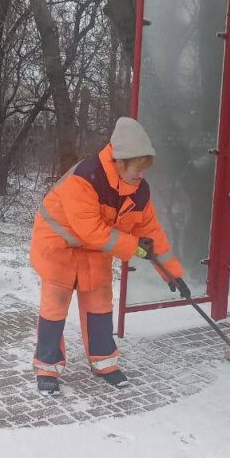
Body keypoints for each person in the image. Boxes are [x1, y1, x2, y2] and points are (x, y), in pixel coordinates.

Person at [30, 117, 190, 394]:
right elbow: (90, 230)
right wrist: (134, 247)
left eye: (143, 171)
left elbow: (152, 232)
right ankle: (47, 368)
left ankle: (104, 362)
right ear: (120, 162)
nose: (140, 177)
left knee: (100, 305)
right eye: (136, 171)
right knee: (54, 308)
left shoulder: (138, 191)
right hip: (58, 246)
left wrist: (172, 274)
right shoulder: (85, 179)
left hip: (95, 250)